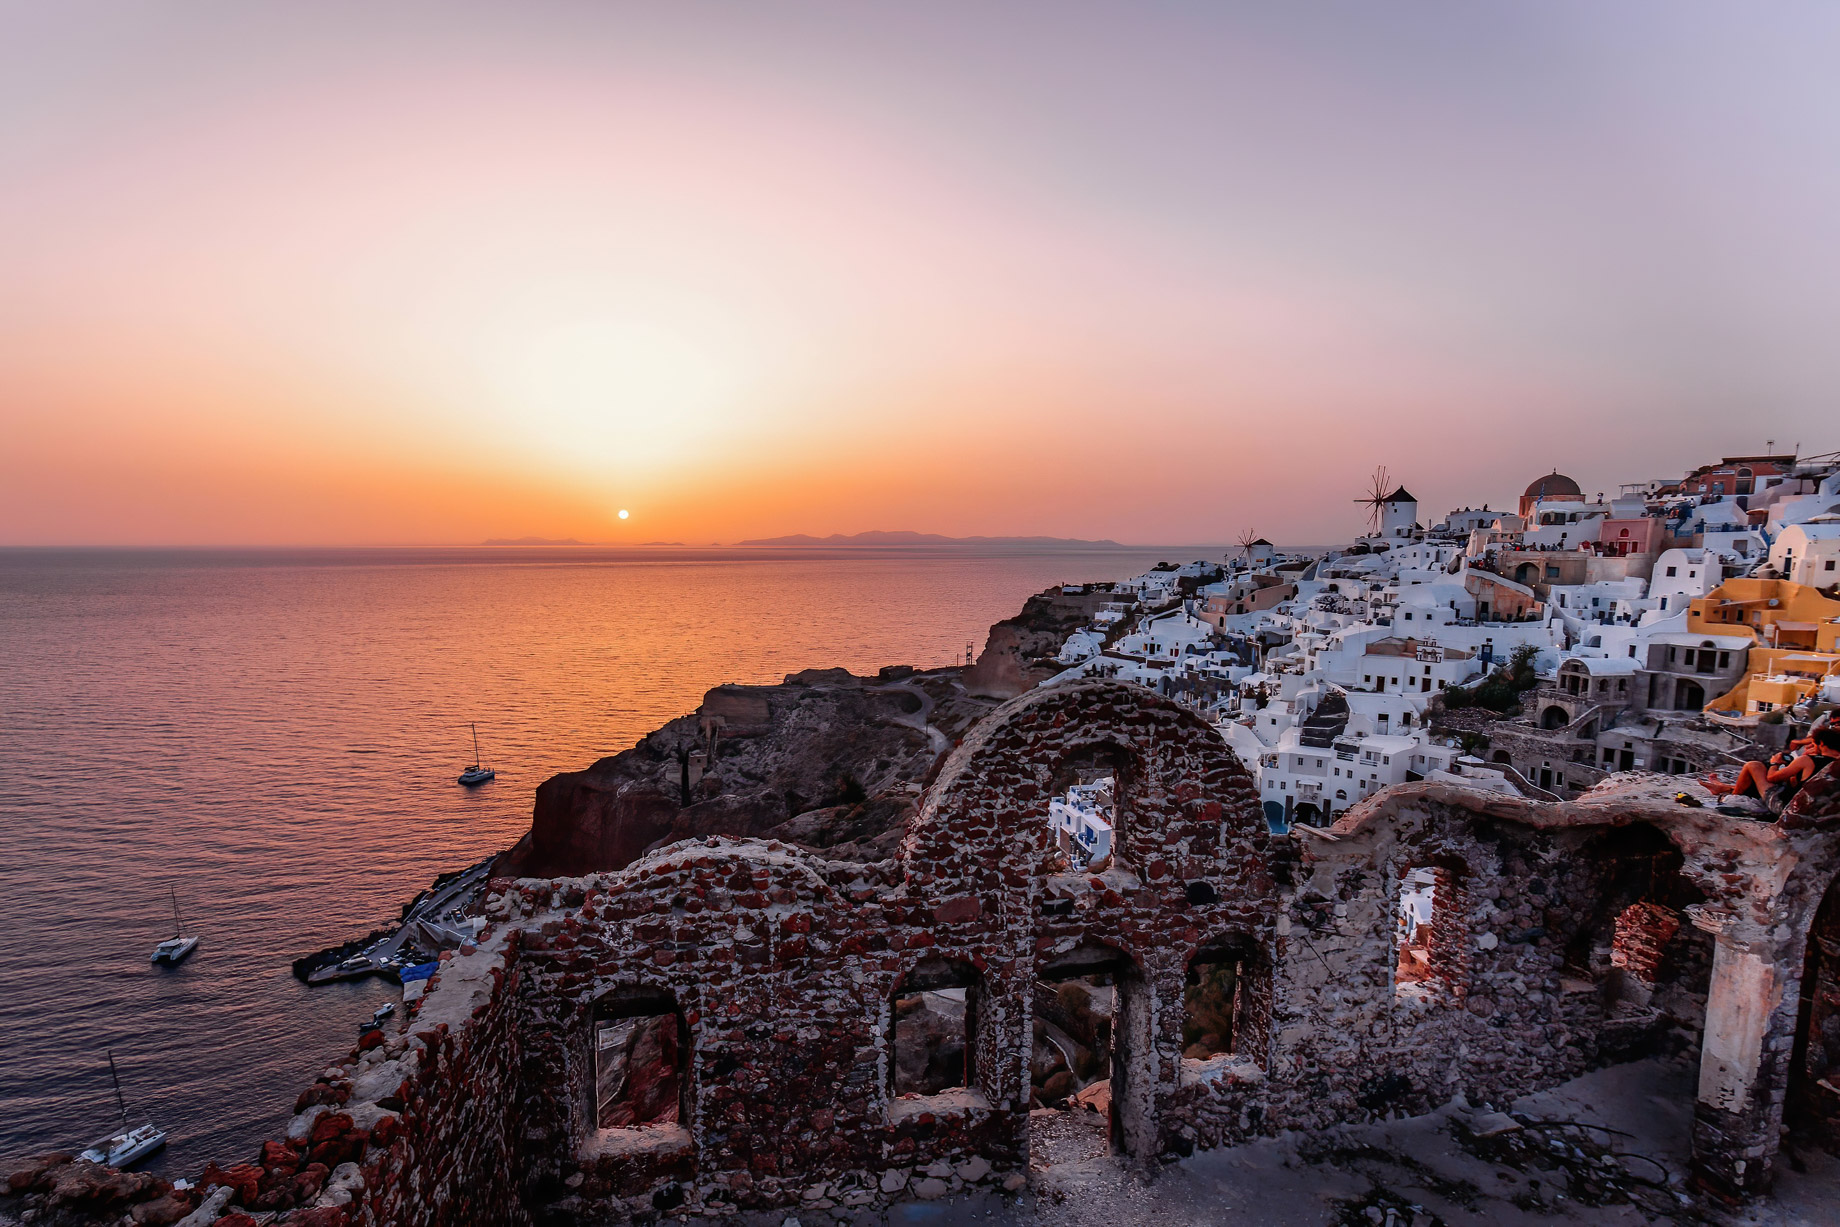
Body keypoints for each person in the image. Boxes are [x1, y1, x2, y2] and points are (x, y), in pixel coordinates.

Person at [1707, 727, 1840, 817]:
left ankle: (1734, 799)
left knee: (1754, 766)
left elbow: (1772, 778)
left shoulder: (1807, 760)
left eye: (1814, 744)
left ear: (1821, 744)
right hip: (1818, 810)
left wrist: (1775, 763)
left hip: (1786, 807)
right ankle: (1723, 788)